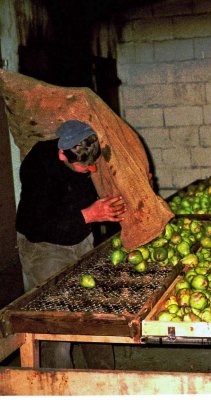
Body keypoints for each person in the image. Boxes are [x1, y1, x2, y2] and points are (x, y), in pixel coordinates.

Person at [16, 119, 126, 369]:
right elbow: (36, 226)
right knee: (60, 320)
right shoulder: (39, 169)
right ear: (61, 155)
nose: (91, 170)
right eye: (83, 166)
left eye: (92, 164)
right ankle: (59, 384)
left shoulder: (85, 156)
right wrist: (88, 215)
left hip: (79, 238)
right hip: (45, 247)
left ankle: (103, 378)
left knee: (94, 312)